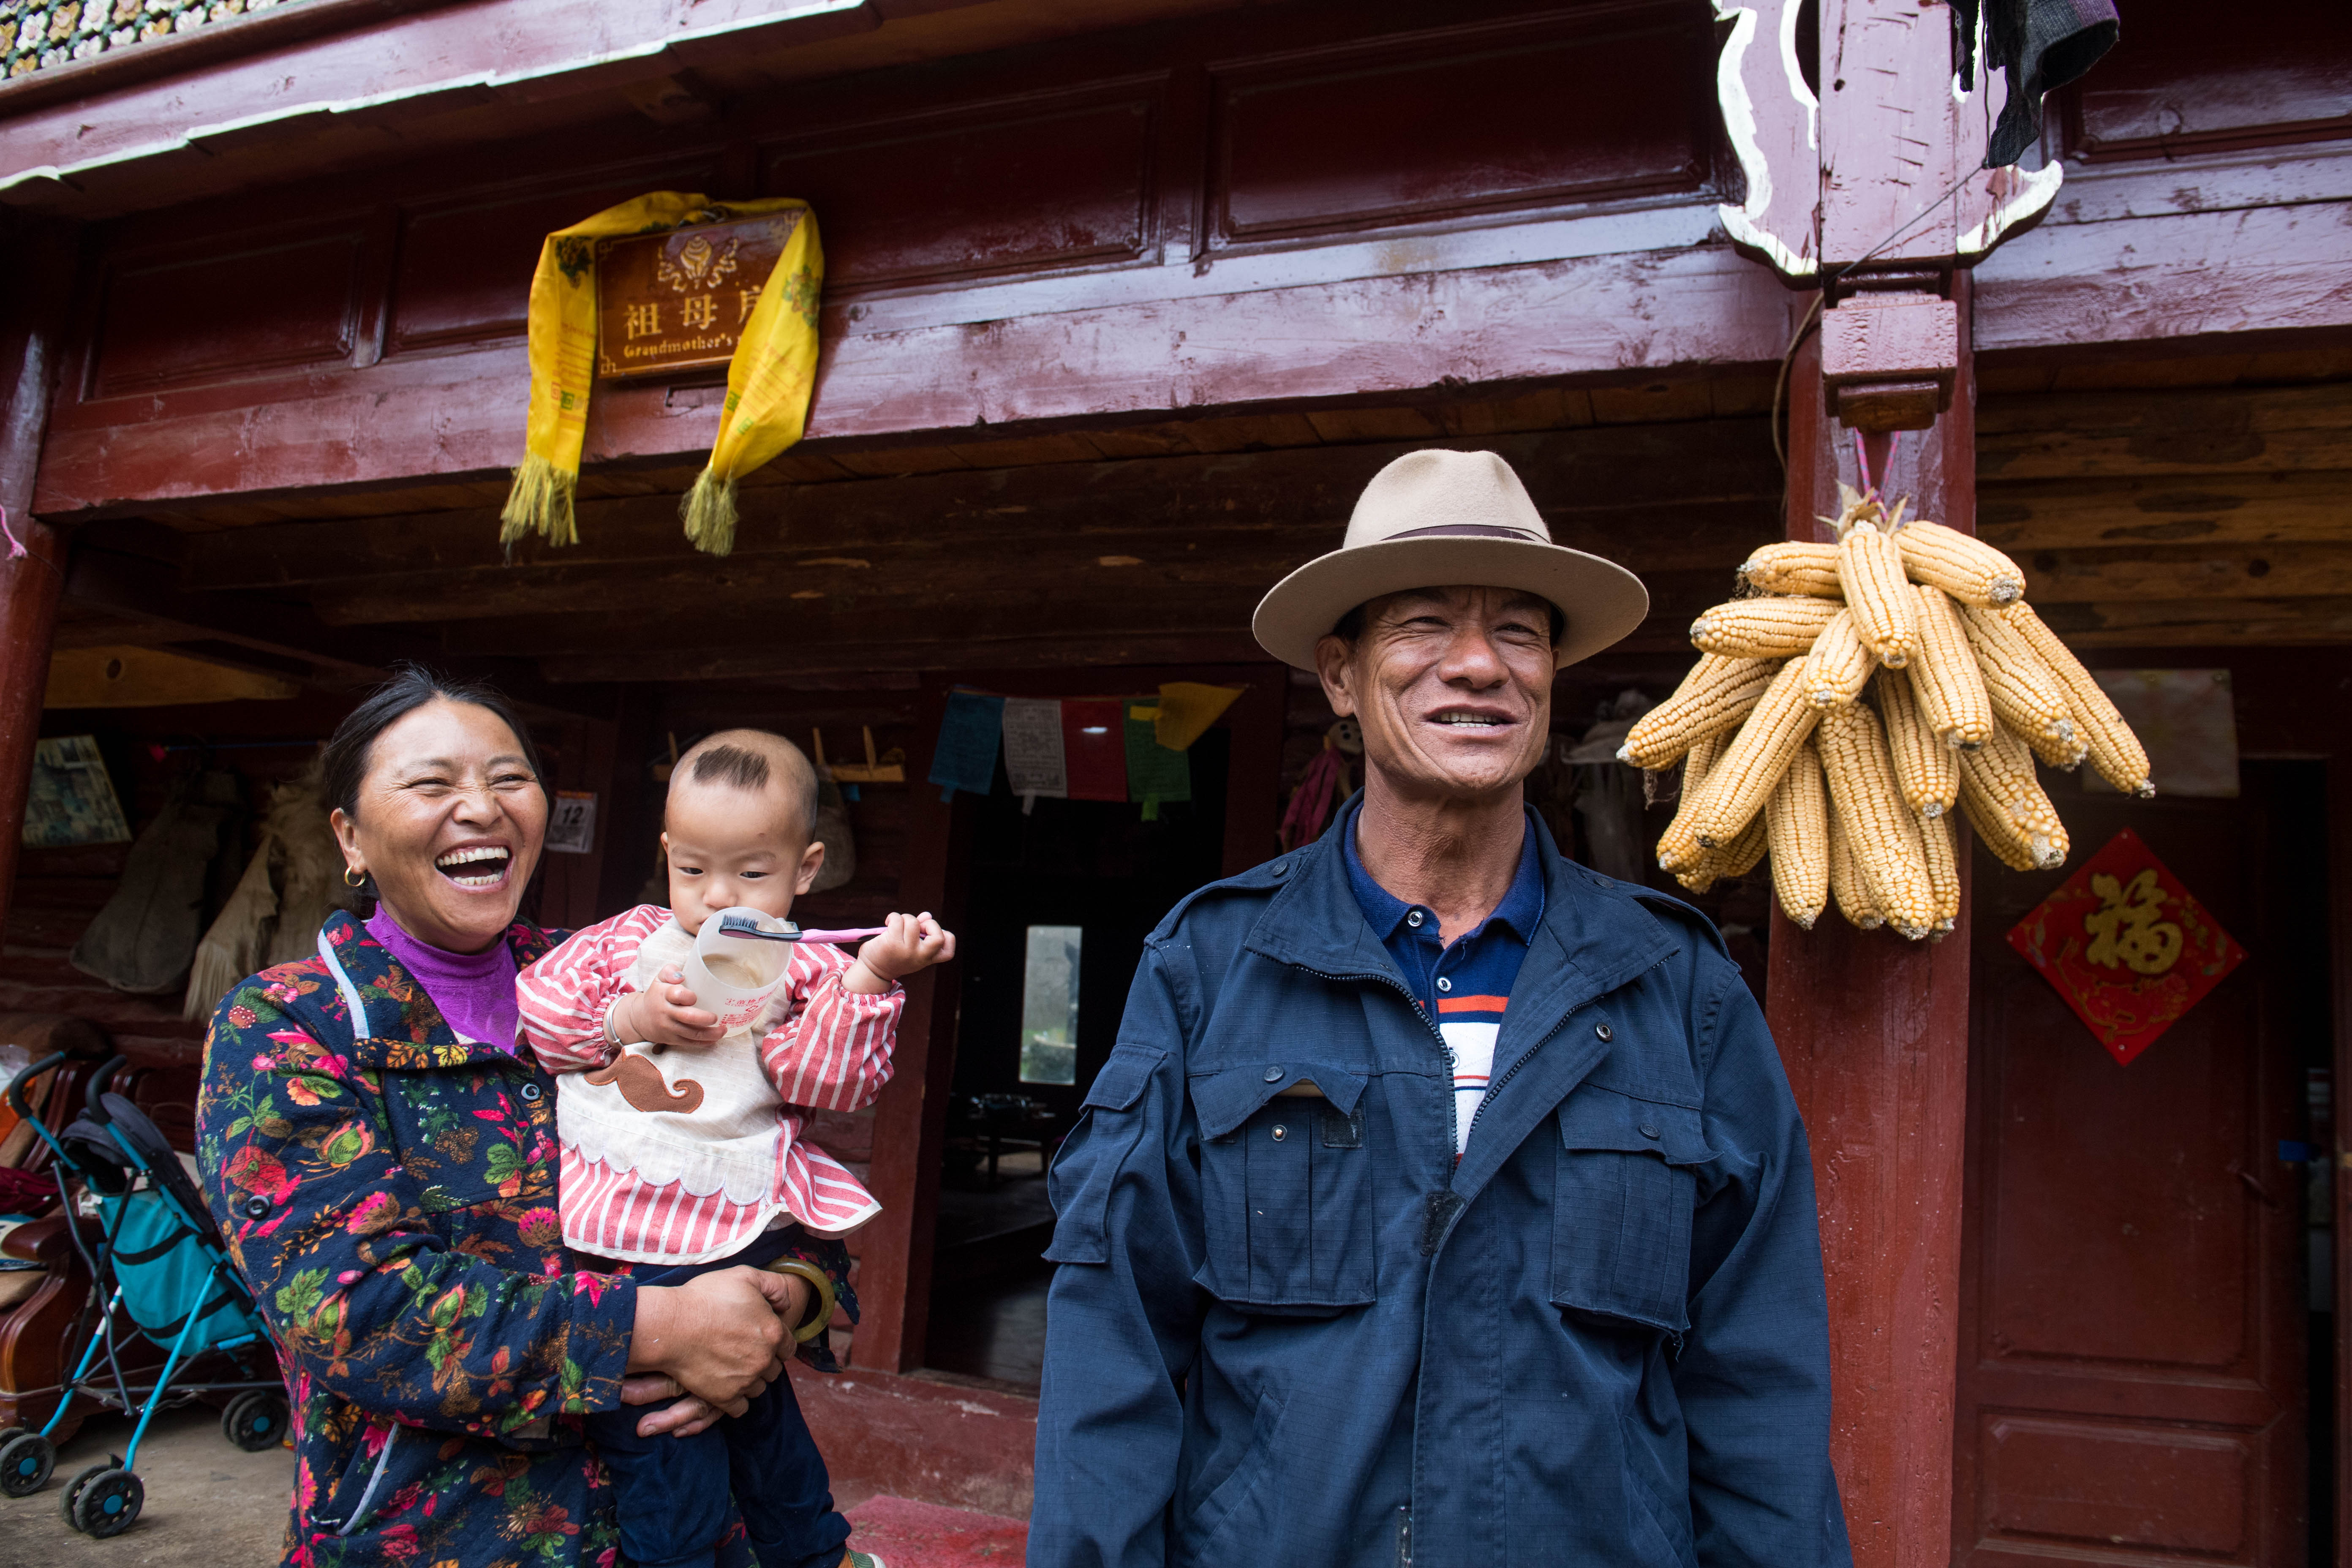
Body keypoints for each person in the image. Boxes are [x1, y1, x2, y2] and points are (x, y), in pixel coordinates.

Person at [1028, 449, 1852, 1567]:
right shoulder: (1210, 968)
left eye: (1519, 630)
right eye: (1424, 624)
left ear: (1551, 674)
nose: (1478, 665)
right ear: (1341, 674)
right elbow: (1115, 1353)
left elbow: (1760, 1382)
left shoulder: (1676, 987)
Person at [196, 667, 849, 1568]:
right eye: (432, 783)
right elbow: (357, 1309)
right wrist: (666, 1331)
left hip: (700, 1522)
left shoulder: (621, 978)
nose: (482, 807)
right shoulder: (292, 1026)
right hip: (445, 1533)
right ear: (349, 835)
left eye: (510, 778)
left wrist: (785, 1299)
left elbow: (766, 1162)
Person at [517, 729, 953, 1568]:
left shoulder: (801, 966)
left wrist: (872, 975)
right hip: (614, 1240)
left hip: (731, 1232)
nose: (719, 896)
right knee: (667, 1457)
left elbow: (828, 1080)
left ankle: (815, 1553)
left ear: (805, 867)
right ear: (668, 854)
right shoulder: (626, 940)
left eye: (752, 872)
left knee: (774, 1445)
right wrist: (632, 1019)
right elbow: (542, 1015)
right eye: (695, 870)